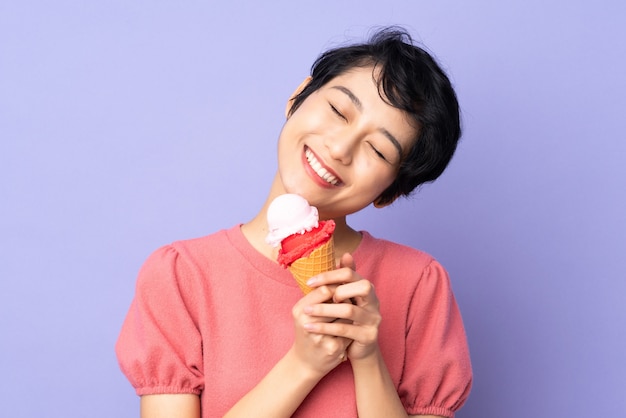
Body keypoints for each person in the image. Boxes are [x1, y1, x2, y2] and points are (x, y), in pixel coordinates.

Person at [116, 26, 472, 418]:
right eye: (339, 111)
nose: (339, 148)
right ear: (297, 98)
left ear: (389, 193)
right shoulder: (180, 275)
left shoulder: (420, 284)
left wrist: (368, 356)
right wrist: (304, 365)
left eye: (377, 149)